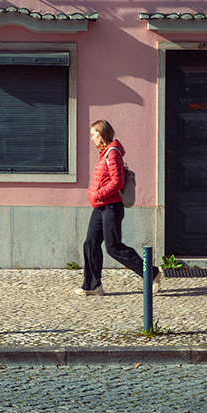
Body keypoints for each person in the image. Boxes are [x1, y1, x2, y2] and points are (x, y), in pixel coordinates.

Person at [77, 118, 162, 296]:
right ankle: (93, 286)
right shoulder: (104, 153)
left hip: (111, 207)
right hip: (100, 207)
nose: (91, 138)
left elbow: (117, 182)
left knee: (113, 247)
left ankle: (152, 273)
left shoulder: (113, 153)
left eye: (93, 135)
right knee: (90, 243)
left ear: (102, 134)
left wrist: (98, 194)